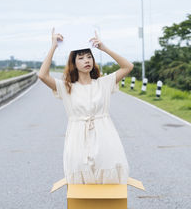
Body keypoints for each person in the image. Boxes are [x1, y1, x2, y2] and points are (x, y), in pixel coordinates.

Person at [38, 27, 134, 184]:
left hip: (105, 135)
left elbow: (128, 66)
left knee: (109, 176)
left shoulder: (103, 83)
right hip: (77, 137)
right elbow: (42, 75)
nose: (87, 60)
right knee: (81, 180)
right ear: (74, 63)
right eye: (81, 58)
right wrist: (53, 46)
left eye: (89, 57)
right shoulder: (67, 87)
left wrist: (103, 48)